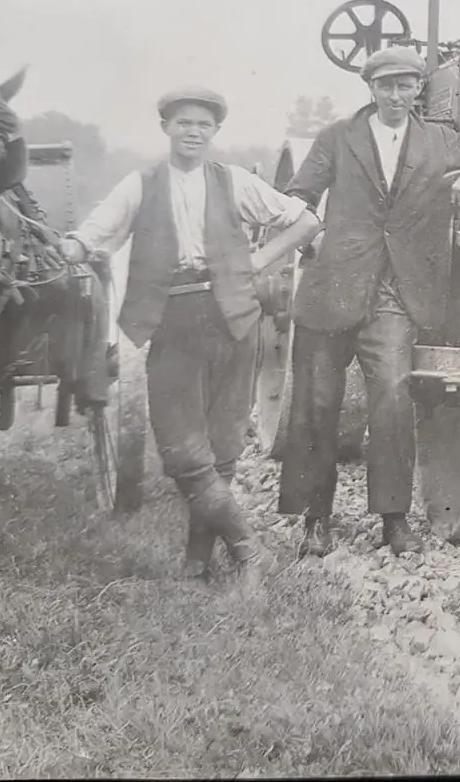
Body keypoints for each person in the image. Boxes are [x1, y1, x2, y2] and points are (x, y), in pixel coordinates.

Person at [60, 87, 320, 590]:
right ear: (166, 129)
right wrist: (70, 245)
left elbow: (306, 220)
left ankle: (196, 565)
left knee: (222, 451)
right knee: (182, 453)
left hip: (234, 322)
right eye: (183, 123)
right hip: (172, 321)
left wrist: (259, 261)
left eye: (203, 124)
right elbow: (92, 235)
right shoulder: (140, 185)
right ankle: (249, 552)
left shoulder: (234, 182)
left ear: (215, 132)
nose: (193, 132)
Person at [277, 46, 460, 559]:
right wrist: (303, 231)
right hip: (333, 288)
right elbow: (300, 192)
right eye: (386, 85)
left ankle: (394, 521)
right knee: (316, 403)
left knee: (394, 400)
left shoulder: (439, 140)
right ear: (371, 88)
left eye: (405, 85)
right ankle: (316, 520)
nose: (396, 95)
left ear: (419, 89)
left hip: (394, 296)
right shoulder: (338, 138)